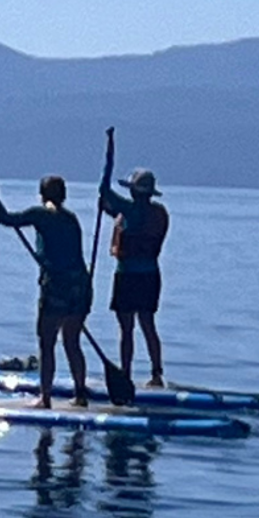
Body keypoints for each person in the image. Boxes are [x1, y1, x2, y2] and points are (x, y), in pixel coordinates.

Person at [0, 176, 91, 408]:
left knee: (47, 342)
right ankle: (80, 394)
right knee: (72, 341)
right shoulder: (71, 219)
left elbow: (6, 219)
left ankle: (45, 398)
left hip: (56, 287)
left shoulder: (41, 214)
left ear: (42, 195)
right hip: (80, 287)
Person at [99, 165, 170, 388]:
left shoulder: (130, 210)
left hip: (128, 276)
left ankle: (126, 373)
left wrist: (108, 163)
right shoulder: (157, 213)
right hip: (150, 275)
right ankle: (156, 373)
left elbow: (106, 191)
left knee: (127, 328)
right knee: (148, 324)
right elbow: (122, 215)